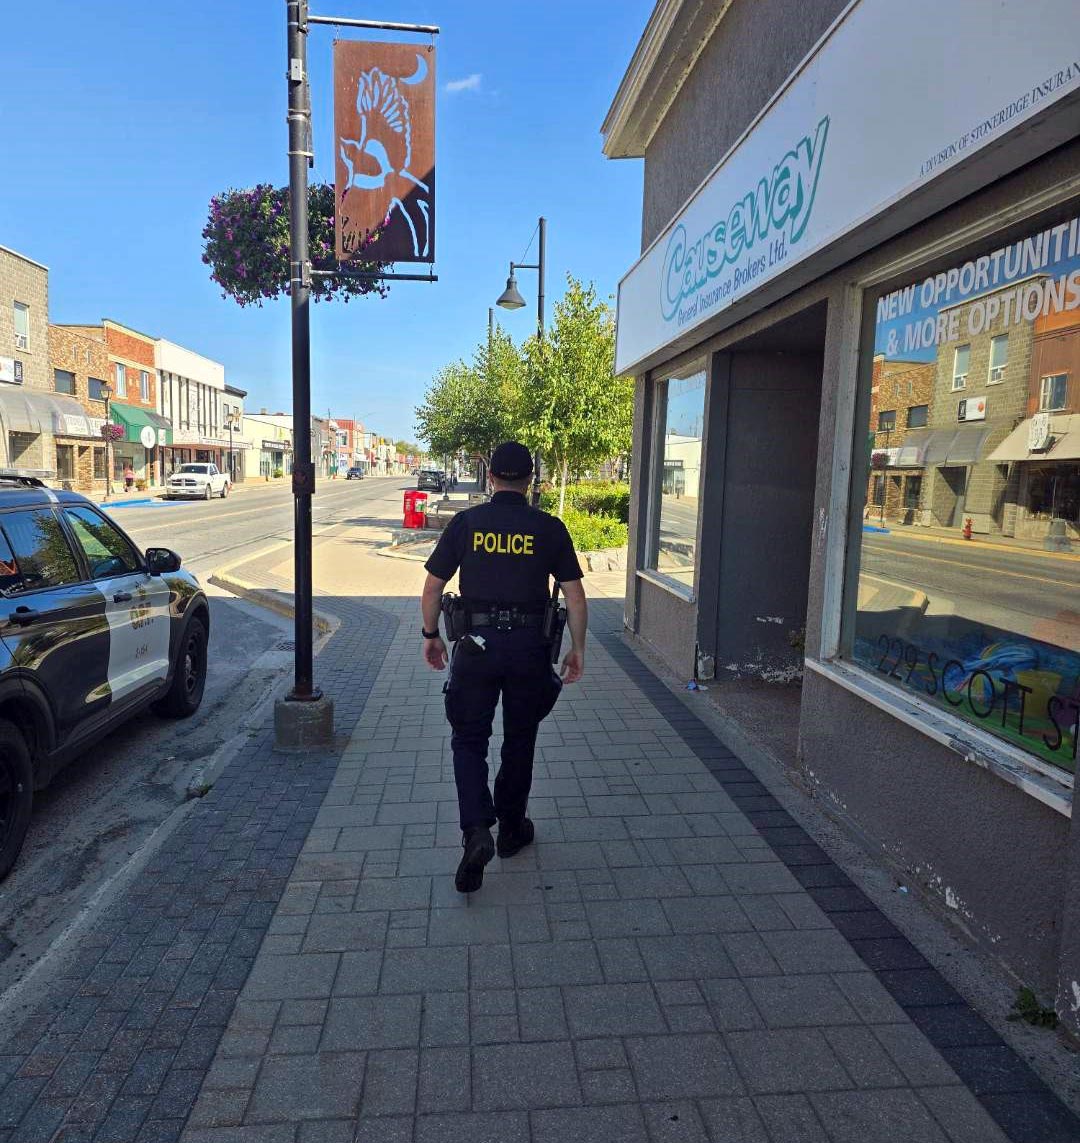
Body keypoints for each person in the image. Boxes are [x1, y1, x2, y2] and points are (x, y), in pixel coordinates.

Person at [421, 441, 587, 893]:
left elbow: (433, 587)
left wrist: (431, 636)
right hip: (529, 650)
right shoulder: (549, 528)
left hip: (475, 648)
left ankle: (477, 830)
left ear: (491, 477)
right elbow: (574, 595)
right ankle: (512, 830)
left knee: (468, 739)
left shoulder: (467, 523)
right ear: (530, 480)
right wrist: (577, 649)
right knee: (520, 738)